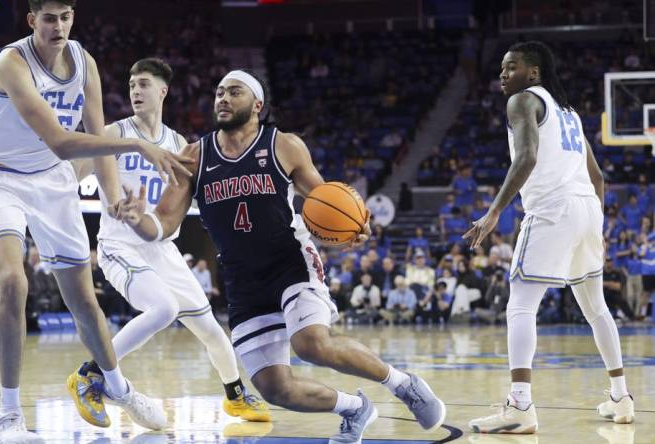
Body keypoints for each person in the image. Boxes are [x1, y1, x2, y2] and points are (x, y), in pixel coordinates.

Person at [117, 68, 446, 443]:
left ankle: (404, 385)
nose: (222, 98)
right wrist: (135, 220)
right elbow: (162, 224)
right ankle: (354, 409)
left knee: (310, 343)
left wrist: (354, 226)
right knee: (275, 389)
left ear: (257, 104)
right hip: (242, 280)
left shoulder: (283, 145)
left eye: (234, 92)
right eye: (219, 92)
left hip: (289, 261)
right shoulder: (194, 156)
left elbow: (326, 199)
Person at [0, 1, 192, 441]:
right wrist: (137, 147)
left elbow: (94, 134)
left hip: (51, 184)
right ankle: (8, 417)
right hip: (0, 178)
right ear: (32, 20)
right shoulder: (12, 63)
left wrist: (114, 200)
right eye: (49, 18)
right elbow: (61, 142)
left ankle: (118, 387)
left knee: (85, 301)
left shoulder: (84, 61)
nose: (58, 26)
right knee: (14, 282)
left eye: (65, 17)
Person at [71, 57, 269, 423]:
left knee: (210, 328)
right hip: (119, 245)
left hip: (163, 248)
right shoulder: (114, 134)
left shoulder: (178, 144)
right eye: (131, 85)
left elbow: (199, 196)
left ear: (162, 91)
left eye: (143, 84)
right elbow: (73, 170)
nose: (135, 91)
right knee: (163, 309)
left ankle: (235, 396)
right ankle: (89, 374)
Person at [464, 41, 634, 434]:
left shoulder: (523, 101)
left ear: (533, 73)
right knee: (596, 308)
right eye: (502, 69)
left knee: (521, 304)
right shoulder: (569, 113)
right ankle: (620, 396)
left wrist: (494, 213)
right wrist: (599, 226)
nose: (503, 75)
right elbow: (599, 176)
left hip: (553, 209)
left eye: (511, 67)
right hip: (587, 209)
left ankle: (520, 406)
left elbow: (526, 159)